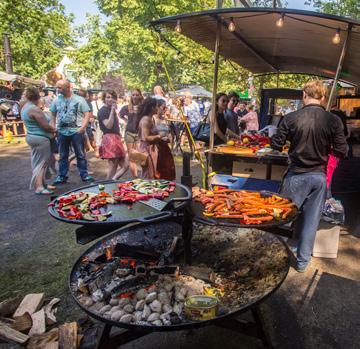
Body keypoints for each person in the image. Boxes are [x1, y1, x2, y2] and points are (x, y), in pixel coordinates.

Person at [270, 80, 347, 272]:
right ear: (322, 98)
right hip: (318, 178)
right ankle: (302, 263)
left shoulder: (291, 118)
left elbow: (275, 144)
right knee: (311, 221)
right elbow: (342, 150)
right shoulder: (333, 120)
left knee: (282, 217)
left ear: (304, 95)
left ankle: (274, 256)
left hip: (296, 175)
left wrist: (288, 141)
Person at [50, 79, 93, 184]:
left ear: (68, 87)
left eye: (60, 87)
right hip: (62, 131)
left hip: (76, 131)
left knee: (80, 154)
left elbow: (87, 113)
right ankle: (62, 176)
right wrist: (53, 127)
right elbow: (53, 114)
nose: (57, 89)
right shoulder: (56, 100)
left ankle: (84, 174)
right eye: (57, 87)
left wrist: (82, 127)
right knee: (63, 154)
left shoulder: (79, 99)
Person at [21, 87, 56, 194]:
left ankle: (42, 184)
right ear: (38, 96)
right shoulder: (34, 109)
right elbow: (45, 126)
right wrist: (55, 130)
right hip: (40, 139)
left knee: (37, 162)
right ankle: (39, 187)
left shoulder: (25, 107)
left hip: (32, 137)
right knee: (42, 163)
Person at [137, 98, 175, 180]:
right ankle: (145, 191)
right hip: (147, 151)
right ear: (152, 108)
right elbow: (146, 138)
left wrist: (162, 139)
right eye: (157, 107)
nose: (158, 109)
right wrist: (159, 136)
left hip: (151, 149)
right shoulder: (146, 120)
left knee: (151, 174)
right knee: (148, 175)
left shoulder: (149, 119)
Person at [98, 90, 128, 180]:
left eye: (112, 97)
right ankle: (108, 185)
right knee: (113, 165)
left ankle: (113, 181)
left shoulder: (112, 109)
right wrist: (112, 111)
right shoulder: (103, 111)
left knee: (126, 165)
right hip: (109, 139)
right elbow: (108, 125)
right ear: (104, 99)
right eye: (108, 97)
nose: (110, 99)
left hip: (116, 138)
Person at [119, 88, 144, 177]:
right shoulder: (127, 107)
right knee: (132, 156)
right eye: (133, 95)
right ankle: (135, 177)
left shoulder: (143, 107)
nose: (135, 96)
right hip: (129, 133)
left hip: (140, 134)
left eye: (137, 95)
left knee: (141, 155)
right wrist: (127, 121)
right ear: (131, 96)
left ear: (140, 96)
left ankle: (144, 175)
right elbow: (120, 114)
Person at [91, 92, 104, 158]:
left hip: (94, 121)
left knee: (95, 135)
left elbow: (90, 111)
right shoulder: (103, 104)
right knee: (99, 135)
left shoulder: (93, 103)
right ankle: (98, 151)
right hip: (100, 121)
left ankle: (97, 150)